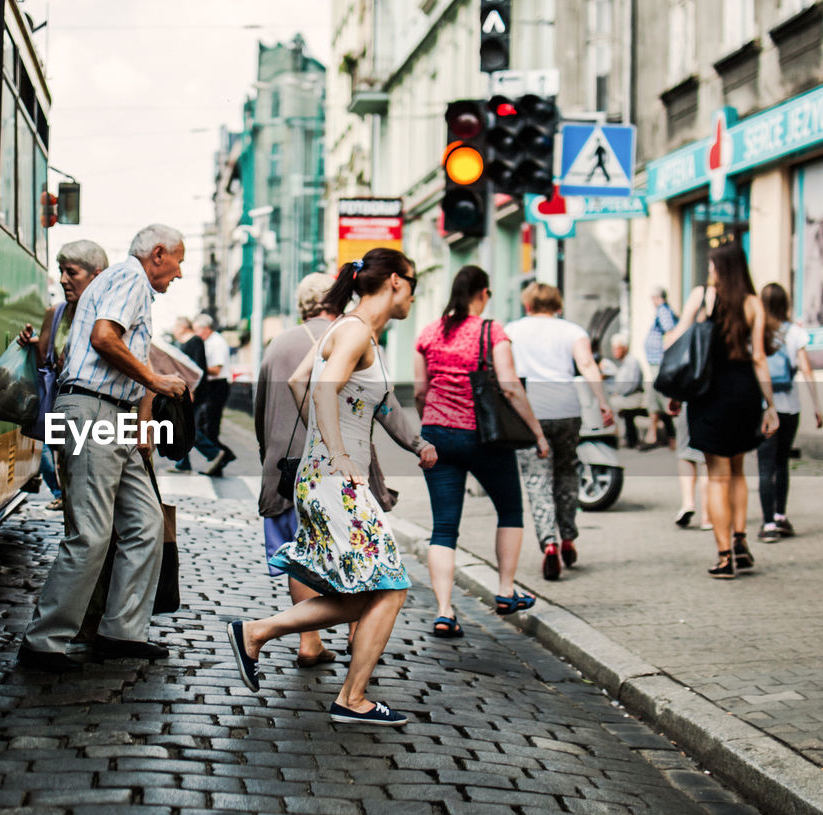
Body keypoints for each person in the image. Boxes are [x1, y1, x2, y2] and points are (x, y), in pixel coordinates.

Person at [227, 248, 429, 727]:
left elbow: (300, 380)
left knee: (366, 592)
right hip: (337, 481)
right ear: (396, 282)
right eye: (414, 285)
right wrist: (337, 452)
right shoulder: (356, 330)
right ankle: (352, 699)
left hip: (321, 479)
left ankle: (256, 633)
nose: (413, 297)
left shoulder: (350, 330)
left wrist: (332, 433)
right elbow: (319, 389)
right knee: (391, 586)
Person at [17, 224, 189, 671]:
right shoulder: (130, 278)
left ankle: (120, 631)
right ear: (157, 254)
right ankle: (43, 640)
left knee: (146, 523)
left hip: (114, 414)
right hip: (95, 411)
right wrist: (154, 380)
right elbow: (103, 337)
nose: (180, 273)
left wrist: (141, 422)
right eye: (178, 261)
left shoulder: (128, 283)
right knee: (91, 533)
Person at [254, 272, 436, 667]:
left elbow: (267, 403)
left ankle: (309, 642)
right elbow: (383, 404)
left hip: (289, 470)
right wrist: (412, 444)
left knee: (307, 557)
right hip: (340, 470)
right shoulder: (354, 335)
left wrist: (272, 450)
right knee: (374, 577)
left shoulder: (280, 343)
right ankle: (355, 644)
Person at [414, 265, 548, 637]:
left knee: (443, 527)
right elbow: (509, 387)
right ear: (483, 294)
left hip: (438, 435)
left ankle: (444, 611)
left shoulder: (430, 332)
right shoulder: (492, 331)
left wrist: (431, 426)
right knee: (509, 509)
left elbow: (421, 391)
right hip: (483, 438)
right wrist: (537, 433)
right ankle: (505, 591)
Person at [663, 242, 779, 579]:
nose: (710, 270)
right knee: (738, 471)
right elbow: (759, 357)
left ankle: (724, 556)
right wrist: (769, 405)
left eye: (713, 265)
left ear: (722, 268)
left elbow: (677, 342)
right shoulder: (753, 303)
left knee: (717, 477)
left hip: (708, 392)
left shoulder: (701, 297)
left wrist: (676, 388)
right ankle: (741, 543)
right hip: (743, 391)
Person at [506, 284, 614, 580]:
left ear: (527, 305)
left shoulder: (511, 331)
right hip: (567, 411)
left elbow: (505, 372)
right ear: (558, 305)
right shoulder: (572, 331)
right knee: (567, 474)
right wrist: (603, 402)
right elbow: (588, 365)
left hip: (530, 413)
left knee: (537, 480)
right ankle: (568, 537)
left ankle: (549, 544)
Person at [17, 240, 109, 511]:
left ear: (97, 275)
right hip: (66, 417)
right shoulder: (55, 313)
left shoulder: (109, 315)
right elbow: (43, 365)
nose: (63, 280)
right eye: (61, 271)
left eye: (72, 272)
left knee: (97, 502)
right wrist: (31, 345)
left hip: (100, 422)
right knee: (75, 497)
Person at [756, 282, 823, 543]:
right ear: (785, 303)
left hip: (764, 408)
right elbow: (806, 369)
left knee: (765, 466)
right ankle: (781, 517)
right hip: (790, 408)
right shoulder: (794, 332)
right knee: (782, 462)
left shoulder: (757, 331)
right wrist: (816, 405)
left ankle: (769, 524)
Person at [195, 314, 236, 476]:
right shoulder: (208, 342)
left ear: (205, 328)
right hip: (210, 386)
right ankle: (219, 457)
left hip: (217, 385)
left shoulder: (217, 343)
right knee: (205, 425)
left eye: (198, 329)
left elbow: (216, 369)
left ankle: (222, 456)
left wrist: (197, 367)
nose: (197, 333)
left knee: (210, 426)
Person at [169, 316, 210, 473]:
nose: (174, 331)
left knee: (185, 425)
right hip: (185, 390)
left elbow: (197, 367)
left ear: (182, 327)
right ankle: (182, 462)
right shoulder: (182, 343)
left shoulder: (195, 341)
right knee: (181, 424)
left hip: (192, 391)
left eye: (175, 327)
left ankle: (213, 452)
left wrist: (191, 390)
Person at [642, 287, 679, 449]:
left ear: (657, 298)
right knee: (657, 396)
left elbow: (670, 332)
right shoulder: (663, 310)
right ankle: (661, 434)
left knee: (660, 396)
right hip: (656, 361)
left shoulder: (663, 310)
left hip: (659, 361)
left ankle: (664, 435)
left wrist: (667, 355)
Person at [602, 333, 645, 447]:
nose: (614, 351)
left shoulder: (631, 362)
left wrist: (616, 393)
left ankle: (612, 436)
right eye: (613, 348)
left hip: (633, 397)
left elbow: (630, 386)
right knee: (608, 402)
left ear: (625, 348)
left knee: (607, 404)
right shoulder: (623, 363)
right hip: (625, 396)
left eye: (617, 348)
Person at [673, 404, 712, 531]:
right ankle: (706, 516)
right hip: (716, 404)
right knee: (709, 458)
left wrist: (674, 398)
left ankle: (688, 503)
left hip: (689, 401)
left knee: (685, 453)